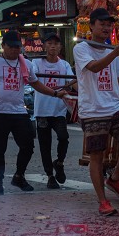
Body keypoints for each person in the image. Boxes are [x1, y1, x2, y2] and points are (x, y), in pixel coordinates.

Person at [72, 7, 119, 216]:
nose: (106, 27)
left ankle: (114, 178)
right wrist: (114, 53)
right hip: (93, 110)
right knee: (97, 156)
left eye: (109, 24)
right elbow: (94, 67)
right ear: (92, 25)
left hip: (114, 107)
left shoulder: (113, 52)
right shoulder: (81, 48)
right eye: (102, 24)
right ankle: (103, 201)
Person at [0, 30, 63, 196]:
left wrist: (54, 93)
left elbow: (36, 84)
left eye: (18, 47)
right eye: (11, 47)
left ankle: (19, 175)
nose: (15, 50)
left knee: (28, 145)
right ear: (3, 46)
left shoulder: (25, 64)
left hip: (18, 111)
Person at [31, 34, 75, 189]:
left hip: (59, 110)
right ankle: (50, 175)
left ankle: (60, 162)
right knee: (45, 144)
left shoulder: (64, 65)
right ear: (44, 46)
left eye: (56, 44)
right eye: (49, 43)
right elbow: (33, 78)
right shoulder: (36, 62)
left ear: (60, 47)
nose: (53, 47)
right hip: (42, 110)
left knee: (64, 137)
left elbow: (70, 83)